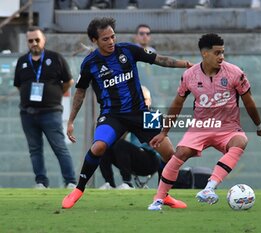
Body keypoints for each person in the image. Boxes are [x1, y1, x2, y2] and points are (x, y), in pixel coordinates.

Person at [61, 17, 192, 209]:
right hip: (112, 115)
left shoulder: (129, 50)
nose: (111, 42)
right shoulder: (90, 63)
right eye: (105, 39)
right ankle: (78, 189)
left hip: (142, 112)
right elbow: (80, 91)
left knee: (171, 154)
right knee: (98, 147)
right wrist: (71, 120)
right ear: (94, 40)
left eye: (113, 36)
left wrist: (186, 64)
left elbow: (160, 59)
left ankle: (164, 196)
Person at [147, 33, 261, 211]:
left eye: (223, 52)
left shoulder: (235, 73)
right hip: (201, 126)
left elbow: (248, 101)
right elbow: (177, 103)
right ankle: (158, 199)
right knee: (180, 153)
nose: (221, 57)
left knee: (241, 141)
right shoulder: (189, 76)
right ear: (205, 54)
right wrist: (164, 132)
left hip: (228, 127)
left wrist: (259, 126)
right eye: (217, 53)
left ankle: (208, 189)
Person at [13, 27, 77, 189]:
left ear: (44, 40)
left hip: (51, 112)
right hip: (27, 113)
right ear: (27, 42)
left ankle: (70, 181)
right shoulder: (22, 61)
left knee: (59, 146)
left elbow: (69, 82)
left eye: (37, 40)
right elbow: (19, 86)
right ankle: (41, 182)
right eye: (30, 40)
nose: (34, 43)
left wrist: (53, 96)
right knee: (34, 149)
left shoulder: (55, 58)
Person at [99, 85, 161, 189]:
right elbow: (119, 137)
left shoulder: (153, 115)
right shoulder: (132, 115)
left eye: (145, 99)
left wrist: (132, 121)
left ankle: (127, 183)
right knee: (103, 145)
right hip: (134, 158)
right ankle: (109, 184)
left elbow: (151, 140)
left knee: (120, 145)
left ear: (150, 101)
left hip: (150, 159)